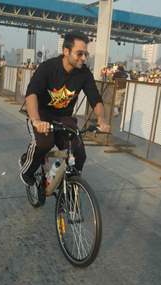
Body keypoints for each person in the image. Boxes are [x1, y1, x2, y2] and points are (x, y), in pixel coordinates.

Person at [19, 31, 110, 186]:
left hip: (64, 118)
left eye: (86, 54)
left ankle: (67, 196)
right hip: (42, 115)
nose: (84, 58)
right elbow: (31, 94)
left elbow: (95, 99)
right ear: (66, 51)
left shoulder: (84, 73)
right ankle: (27, 170)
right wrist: (36, 120)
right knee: (44, 143)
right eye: (79, 53)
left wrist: (101, 119)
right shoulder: (48, 68)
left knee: (79, 153)